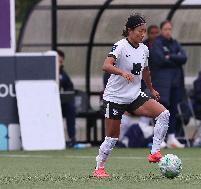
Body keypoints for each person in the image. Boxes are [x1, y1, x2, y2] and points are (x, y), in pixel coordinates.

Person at [93, 14, 170, 178]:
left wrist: (151, 89)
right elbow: (106, 65)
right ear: (130, 30)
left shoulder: (144, 49)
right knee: (112, 137)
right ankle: (99, 168)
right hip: (115, 97)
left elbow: (146, 71)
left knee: (164, 113)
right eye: (139, 31)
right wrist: (121, 72)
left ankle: (154, 152)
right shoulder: (120, 46)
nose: (142, 34)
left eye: (144, 31)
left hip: (134, 95)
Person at [150, 20, 187, 148]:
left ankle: (172, 137)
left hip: (175, 82)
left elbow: (184, 58)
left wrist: (170, 57)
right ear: (161, 30)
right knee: (162, 111)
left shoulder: (175, 43)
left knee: (173, 110)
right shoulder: (157, 43)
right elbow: (160, 60)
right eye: (166, 29)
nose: (168, 31)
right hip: (162, 83)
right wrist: (175, 58)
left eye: (170, 29)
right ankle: (160, 139)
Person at [57, 49, 77, 147]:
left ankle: (72, 138)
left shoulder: (62, 73)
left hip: (59, 104)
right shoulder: (45, 71)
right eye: (57, 61)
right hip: (47, 105)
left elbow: (69, 87)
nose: (59, 64)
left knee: (70, 107)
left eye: (61, 62)